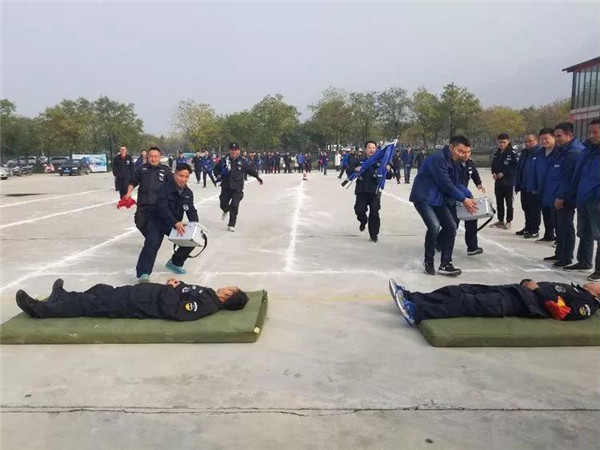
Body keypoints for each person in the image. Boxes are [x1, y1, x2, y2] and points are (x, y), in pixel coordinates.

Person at [16, 278, 249, 321]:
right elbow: (186, 290)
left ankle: (39, 310)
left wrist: (170, 289)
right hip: (142, 294)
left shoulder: (206, 305)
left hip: (139, 304)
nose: (228, 285)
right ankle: (60, 297)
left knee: (89, 304)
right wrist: (178, 283)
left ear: (228, 295)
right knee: (100, 289)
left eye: (231, 287)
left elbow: (174, 310)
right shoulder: (209, 294)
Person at [388, 278, 599, 326]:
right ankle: (412, 297)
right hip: (515, 291)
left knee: (466, 302)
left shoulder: (587, 302)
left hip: (519, 303)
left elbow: (562, 312)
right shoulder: (579, 290)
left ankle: (417, 312)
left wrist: (537, 289)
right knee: (459, 289)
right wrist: (527, 283)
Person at [409, 135, 478, 276]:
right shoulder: (438, 159)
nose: (463, 155)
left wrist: (469, 196)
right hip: (424, 198)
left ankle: (446, 264)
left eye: (466, 152)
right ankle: (428, 261)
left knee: (451, 226)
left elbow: (457, 183)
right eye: (460, 151)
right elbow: (446, 184)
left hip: (438, 200)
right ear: (451, 147)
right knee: (434, 226)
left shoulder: (455, 162)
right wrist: (463, 199)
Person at [135, 164, 198, 282]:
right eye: (181, 176)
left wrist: (195, 226)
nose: (183, 179)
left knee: (193, 239)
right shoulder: (163, 189)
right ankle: (143, 273)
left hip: (174, 224)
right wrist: (175, 222)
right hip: (158, 222)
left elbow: (191, 210)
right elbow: (162, 208)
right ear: (175, 174)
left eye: (186, 177)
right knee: (152, 244)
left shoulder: (188, 193)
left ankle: (175, 263)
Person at [543, 122, 584, 268]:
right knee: (559, 226)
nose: (557, 139)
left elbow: (568, 178)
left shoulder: (573, 152)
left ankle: (566, 256)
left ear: (569, 135)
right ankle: (559, 252)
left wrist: (561, 196)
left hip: (565, 197)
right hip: (556, 194)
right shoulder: (561, 151)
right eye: (555, 136)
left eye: (559, 136)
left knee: (565, 226)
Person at [565, 118, 600, 281]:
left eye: (595, 132)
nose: (591, 135)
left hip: (596, 199)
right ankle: (584, 261)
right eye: (590, 132)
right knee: (584, 232)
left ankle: (599, 270)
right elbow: (578, 175)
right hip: (583, 197)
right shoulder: (586, 150)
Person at [347, 140, 393, 243]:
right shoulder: (360, 161)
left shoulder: (381, 162)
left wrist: (388, 169)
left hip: (374, 191)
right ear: (365, 149)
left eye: (373, 148)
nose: (371, 150)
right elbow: (349, 171)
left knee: (374, 213)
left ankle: (373, 234)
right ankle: (363, 221)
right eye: (369, 148)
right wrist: (355, 169)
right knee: (359, 210)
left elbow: (389, 176)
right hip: (361, 191)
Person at [213, 143, 263, 232]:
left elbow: (249, 170)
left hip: (237, 188)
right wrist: (218, 175)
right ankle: (226, 210)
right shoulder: (224, 160)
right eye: (232, 150)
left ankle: (231, 224)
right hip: (226, 186)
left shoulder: (242, 161)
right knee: (223, 203)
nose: (234, 152)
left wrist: (257, 177)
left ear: (239, 151)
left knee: (234, 205)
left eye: (236, 150)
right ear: (229, 151)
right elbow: (216, 169)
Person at [125, 147, 174, 237]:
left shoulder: (165, 170)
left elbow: (172, 186)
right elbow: (133, 182)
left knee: (156, 226)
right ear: (148, 157)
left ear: (160, 157)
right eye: (151, 156)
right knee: (139, 222)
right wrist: (128, 193)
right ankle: (151, 238)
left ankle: (152, 240)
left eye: (155, 156)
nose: (153, 159)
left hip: (158, 204)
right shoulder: (142, 169)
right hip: (143, 203)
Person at [529, 128, 557, 243]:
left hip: (554, 189)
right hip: (542, 188)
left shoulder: (559, 153)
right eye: (541, 139)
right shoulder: (540, 153)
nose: (544, 141)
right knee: (545, 212)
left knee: (556, 215)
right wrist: (533, 186)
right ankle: (549, 234)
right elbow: (534, 171)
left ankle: (559, 238)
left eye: (546, 138)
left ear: (554, 137)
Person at [514, 134, 541, 238]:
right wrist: (517, 184)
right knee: (526, 207)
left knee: (534, 209)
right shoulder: (524, 153)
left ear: (536, 141)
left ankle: (534, 229)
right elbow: (519, 169)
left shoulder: (539, 153)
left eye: (530, 141)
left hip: (533, 187)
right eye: (526, 141)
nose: (528, 143)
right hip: (524, 185)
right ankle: (527, 227)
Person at [490, 133, 517, 230]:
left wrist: (504, 173)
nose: (502, 144)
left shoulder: (512, 153)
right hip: (498, 182)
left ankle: (509, 221)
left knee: (509, 203)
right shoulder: (496, 154)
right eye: (500, 142)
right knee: (499, 202)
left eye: (504, 142)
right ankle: (500, 220)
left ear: (508, 142)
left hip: (508, 182)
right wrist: (493, 173)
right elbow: (493, 165)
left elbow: (514, 167)